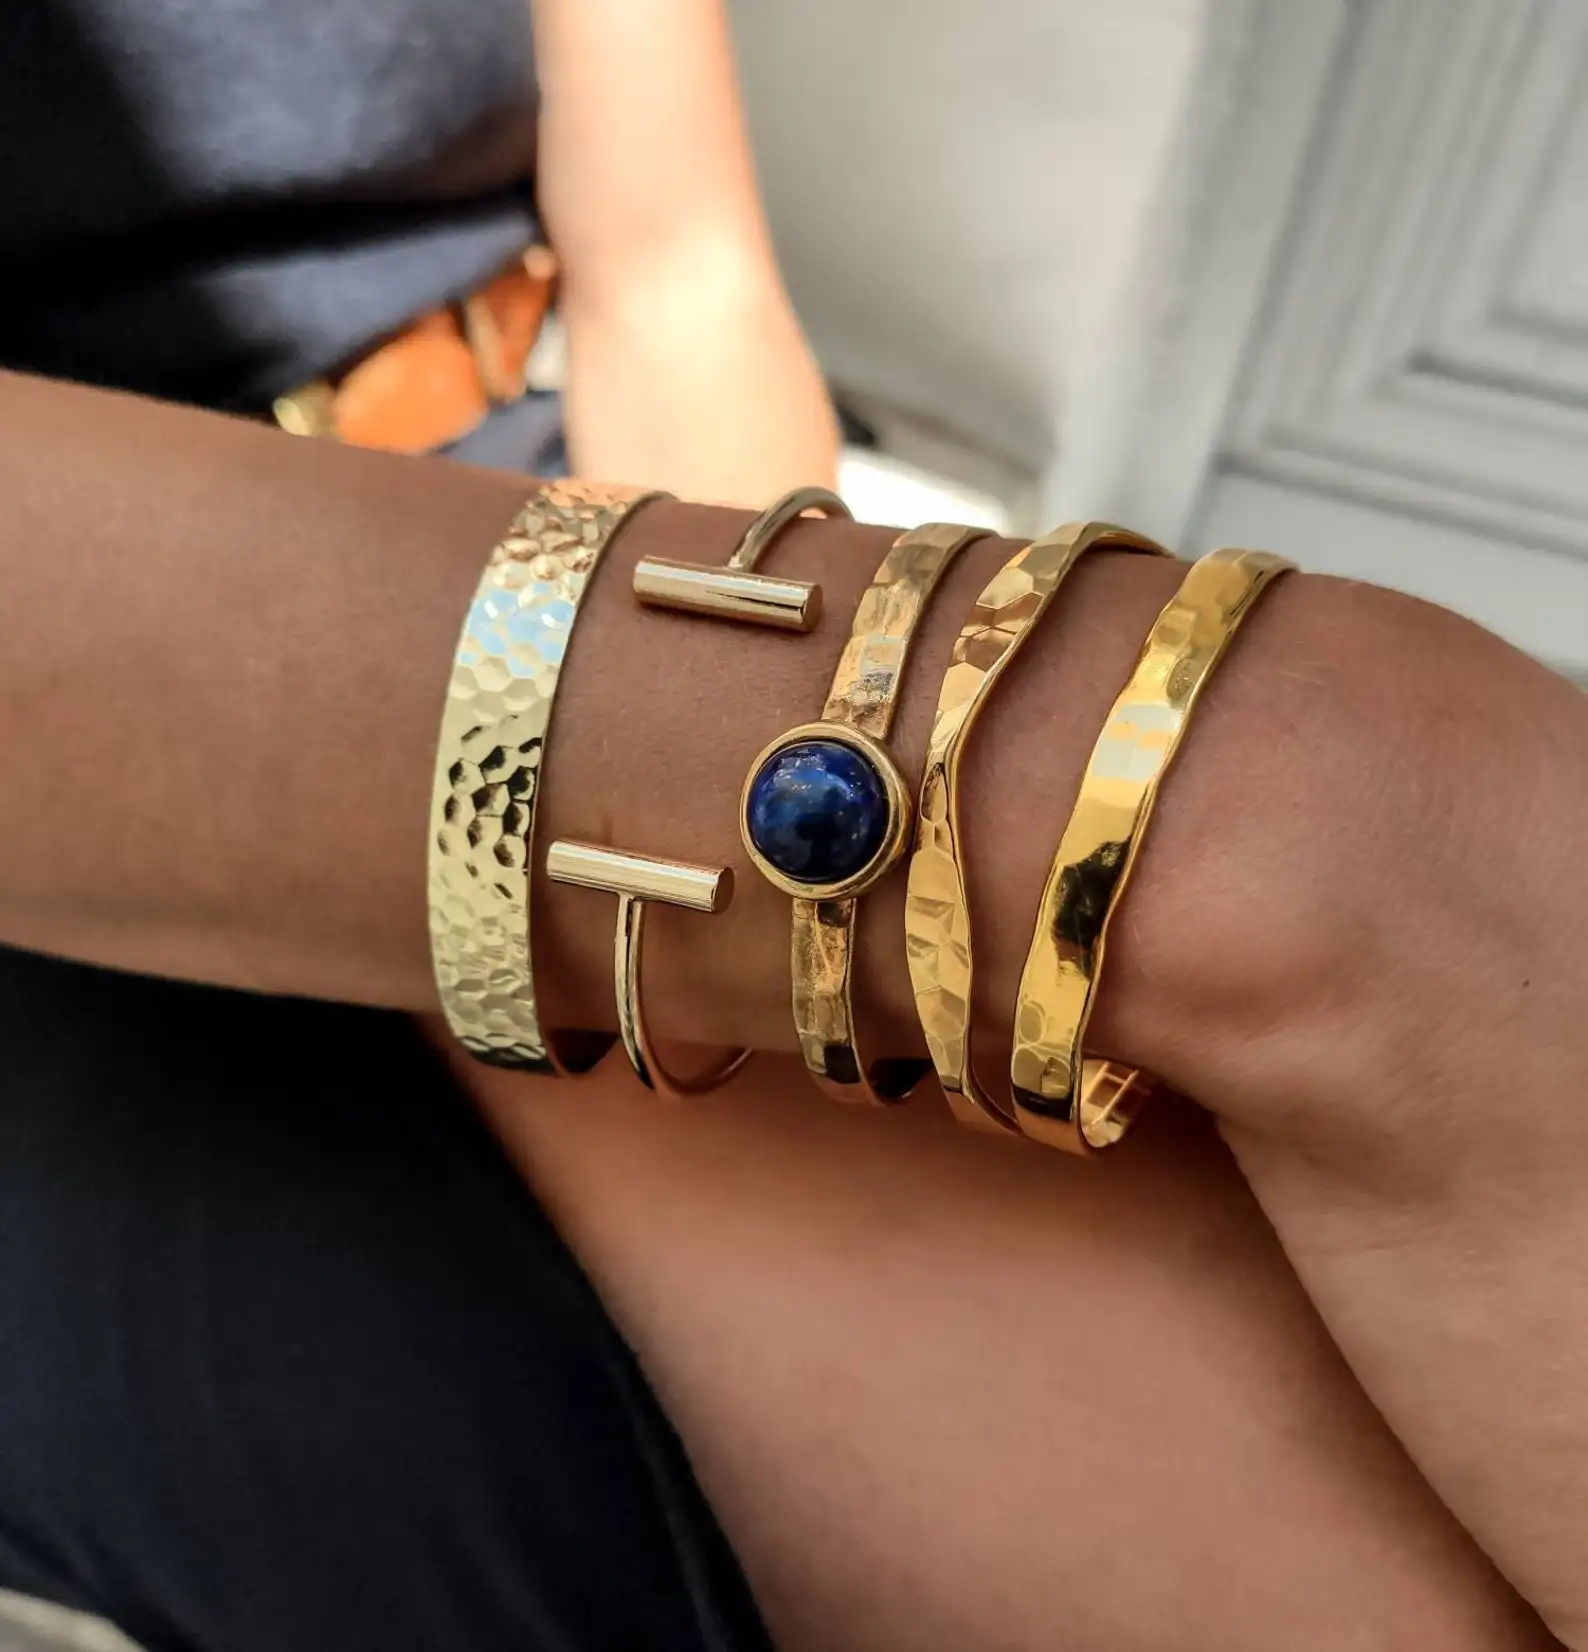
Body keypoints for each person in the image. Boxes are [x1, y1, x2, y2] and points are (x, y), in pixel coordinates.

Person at [1, 10, 1585, 1652]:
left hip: (512, 506)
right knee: (1316, 811)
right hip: (73, 720)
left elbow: (673, 266)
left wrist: (767, 919)